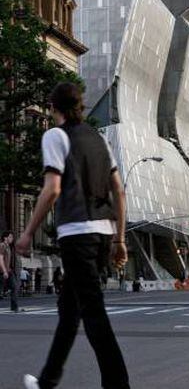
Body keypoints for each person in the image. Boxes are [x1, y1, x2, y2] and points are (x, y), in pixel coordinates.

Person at [16, 82, 130, 389]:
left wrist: (27, 233)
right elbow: (118, 190)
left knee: (93, 313)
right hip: (104, 233)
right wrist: (120, 239)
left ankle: (118, 384)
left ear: (54, 108)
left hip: (77, 233)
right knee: (70, 311)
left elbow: (52, 188)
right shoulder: (100, 139)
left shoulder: (56, 135)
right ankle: (47, 380)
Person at [0, 231, 19, 312]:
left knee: (14, 286)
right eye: (10, 237)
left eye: (12, 237)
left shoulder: (8, 247)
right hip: (2, 271)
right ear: (5, 238)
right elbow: (0, 259)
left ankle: (14, 307)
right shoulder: (2, 245)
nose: (12, 238)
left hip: (8, 271)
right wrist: (4, 271)